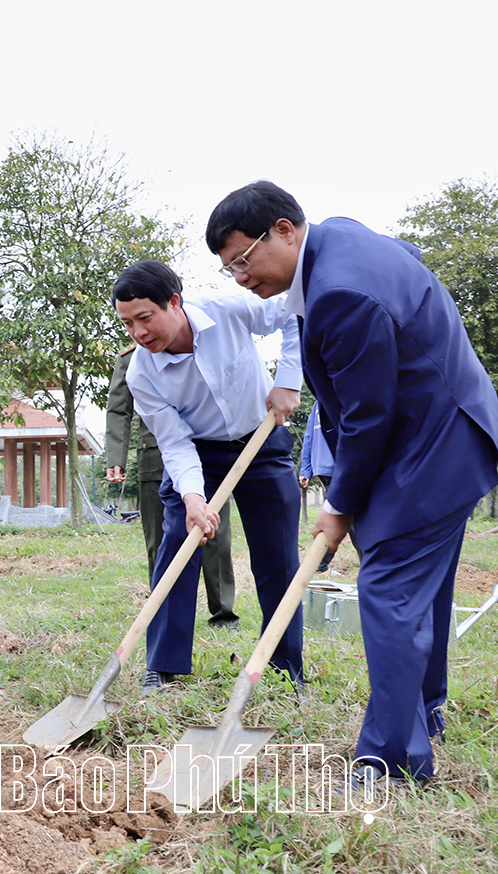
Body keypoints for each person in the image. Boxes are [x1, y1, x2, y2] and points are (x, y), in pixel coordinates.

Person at [206, 181, 498, 789]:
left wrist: (337, 506)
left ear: (283, 230)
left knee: (390, 589)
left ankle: (390, 760)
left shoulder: (340, 294)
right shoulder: (337, 239)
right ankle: (425, 714)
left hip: (430, 447)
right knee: (423, 588)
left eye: (243, 260)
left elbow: (368, 417)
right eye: (228, 268)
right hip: (448, 432)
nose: (240, 277)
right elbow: (409, 258)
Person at [111, 260, 304, 696]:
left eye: (145, 318)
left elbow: (294, 310)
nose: (139, 333)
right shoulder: (142, 373)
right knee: (176, 545)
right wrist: (194, 498)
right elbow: (175, 444)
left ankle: (284, 668)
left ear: (174, 303)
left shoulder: (227, 308)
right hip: (197, 452)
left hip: (261, 439)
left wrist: (289, 380)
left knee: (279, 559)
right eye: (128, 325)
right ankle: (162, 666)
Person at [106, 345, 238, 626]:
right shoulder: (131, 359)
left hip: (209, 455)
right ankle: (163, 610)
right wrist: (115, 458)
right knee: (161, 542)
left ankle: (224, 612)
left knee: (215, 533)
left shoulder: (205, 346)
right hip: (156, 457)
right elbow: (119, 410)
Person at [299, 402, 338, 573]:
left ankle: (319, 562)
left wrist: (306, 469)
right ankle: (319, 562)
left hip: (322, 466)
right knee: (339, 514)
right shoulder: (336, 397)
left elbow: (308, 437)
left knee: (336, 511)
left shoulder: (317, 404)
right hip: (337, 465)